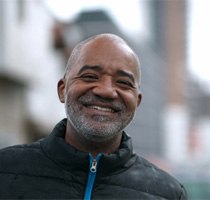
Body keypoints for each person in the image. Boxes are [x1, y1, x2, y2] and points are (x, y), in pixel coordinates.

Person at [0, 33, 187, 199]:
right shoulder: (5, 170)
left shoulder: (167, 193)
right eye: (89, 76)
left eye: (123, 82)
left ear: (137, 102)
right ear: (62, 90)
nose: (106, 91)